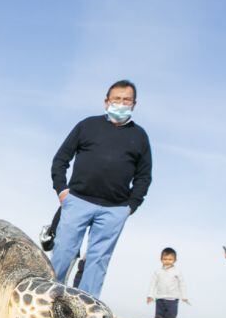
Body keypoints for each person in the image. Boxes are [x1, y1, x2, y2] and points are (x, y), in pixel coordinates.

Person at [49, 80, 152, 294]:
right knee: (63, 254)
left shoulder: (140, 136)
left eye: (126, 100)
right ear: (107, 102)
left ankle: (85, 312)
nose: (121, 104)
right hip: (77, 201)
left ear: (134, 104)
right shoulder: (87, 125)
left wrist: (130, 206)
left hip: (114, 210)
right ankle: (49, 300)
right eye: (117, 99)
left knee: (97, 262)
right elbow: (61, 159)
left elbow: (144, 176)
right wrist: (62, 190)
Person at [147, 247, 189, 318]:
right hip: (160, 298)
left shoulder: (177, 272)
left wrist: (184, 296)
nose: (167, 261)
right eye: (165, 259)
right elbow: (153, 284)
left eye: (170, 259)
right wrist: (150, 295)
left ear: (175, 260)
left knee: (171, 316)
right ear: (161, 259)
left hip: (173, 299)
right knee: (159, 316)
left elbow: (182, 284)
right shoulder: (158, 272)